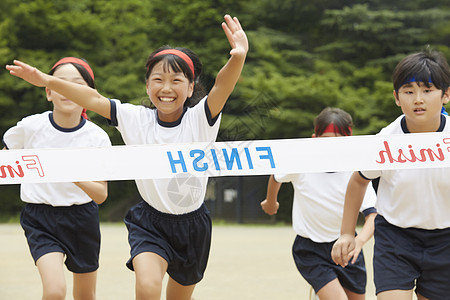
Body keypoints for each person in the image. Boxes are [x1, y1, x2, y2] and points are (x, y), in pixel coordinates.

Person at [6, 14, 248, 300]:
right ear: (147, 86)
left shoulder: (200, 119)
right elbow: (93, 99)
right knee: (147, 288)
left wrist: (238, 57)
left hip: (192, 225)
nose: (166, 88)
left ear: (191, 87)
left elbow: (222, 87)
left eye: (176, 80)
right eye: (158, 79)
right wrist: (46, 80)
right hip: (150, 222)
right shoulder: (135, 119)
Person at [331, 48, 450, 300]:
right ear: (397, 97)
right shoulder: (385, 139)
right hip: (396, 237)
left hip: (445, 240)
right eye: (409, 92)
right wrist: (346, 232)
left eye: (427, 90)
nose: (418, 99)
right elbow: (358, 180)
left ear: (446, 94)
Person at [2, 57, 111, 300]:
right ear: (48, 92)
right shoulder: (30, 127)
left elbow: (101, 195)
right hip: (40, 218)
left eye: (75, 84)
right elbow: (5, 162)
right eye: (60, 84)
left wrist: (70, 172)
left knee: (85, 295)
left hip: (83, 219)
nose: (66, 90)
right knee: (54, 291)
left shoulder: (97, 138)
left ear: (88, 93)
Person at [261, 107, 377, 300]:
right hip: (310, 249)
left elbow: (372, 215)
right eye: (327, 140)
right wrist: (271, 201)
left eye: (339, 141)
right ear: (314, 139)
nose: (333, 147)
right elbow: (276, 175)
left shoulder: (356, 173)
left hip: (346, 248)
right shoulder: (301, 164)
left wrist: (359, 241)